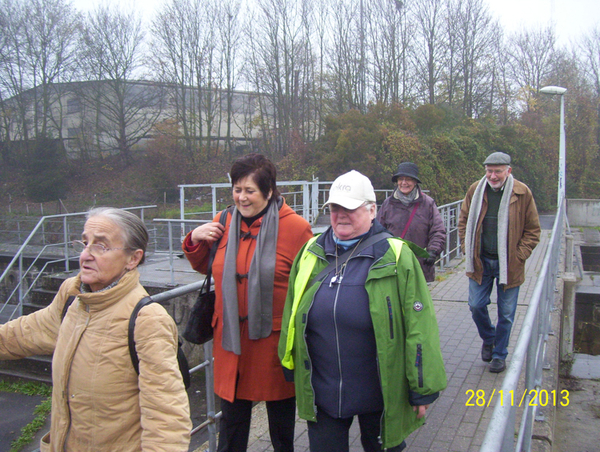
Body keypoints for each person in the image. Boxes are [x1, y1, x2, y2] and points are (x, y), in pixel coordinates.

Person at [279, 170, 447, 452]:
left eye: (350, 208)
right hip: (324, 392)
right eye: (335, 207)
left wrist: (422, 386)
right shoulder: (310, 251)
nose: (341, 214)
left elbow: (421, 325)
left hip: (381, 392)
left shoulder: (396, 256)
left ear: (372, 211)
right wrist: (288, 361)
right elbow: (292, 311)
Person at [0, 207, 191, 452]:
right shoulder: (73, 297)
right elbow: (22, 334)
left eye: (100, 246)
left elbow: (167, 421)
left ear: (133, 259)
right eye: (84, 242)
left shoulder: (146, 320)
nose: (85, 255)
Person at [183, 153, 313, 452]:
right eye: (237, 189)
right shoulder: (224, 220)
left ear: (269, 191)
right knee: (232, 426)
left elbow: (308, 285)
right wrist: (195, 238)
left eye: (249, 190)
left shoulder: (296, 228)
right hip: (231, 342)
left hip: (273, 343)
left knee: (281, 428)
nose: (241, 197)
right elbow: (207, 266)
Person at [458, 152, 541, 373]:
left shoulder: (522, 193)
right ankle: (489, 338)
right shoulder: (475, 190)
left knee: (506, 313)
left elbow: (533, 230)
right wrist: (468, 248)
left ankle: (499, 354)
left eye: (497, 171)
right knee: (476, 305)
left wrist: (519, 255)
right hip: (480, 261)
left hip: (510, 265)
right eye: (489, 171)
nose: (493, 176)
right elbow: (463, 221)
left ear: (508, 171)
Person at [377, 162, 446, 282]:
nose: (404, 183)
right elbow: (377, 232)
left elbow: (438, 230)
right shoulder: (388, 204)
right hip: (393, 266)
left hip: (420, 266)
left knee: (418, 301)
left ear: (415, 182)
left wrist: (433, 251)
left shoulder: (428, 203)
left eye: (408, 179)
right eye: (400, 179)